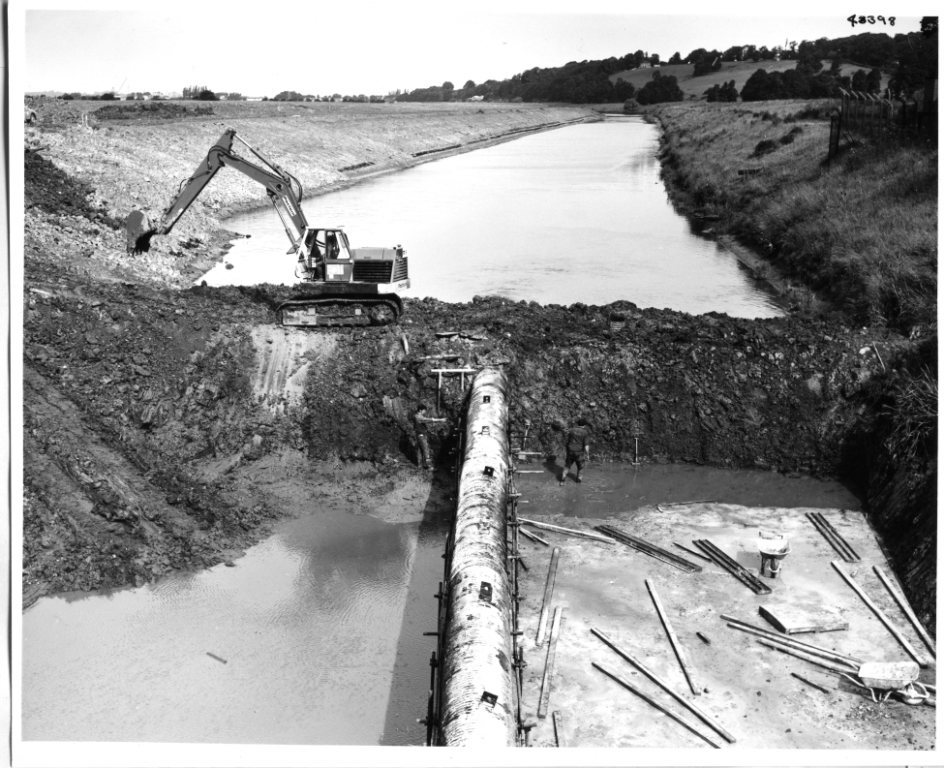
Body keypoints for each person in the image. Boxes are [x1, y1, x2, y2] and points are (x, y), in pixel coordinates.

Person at [412, 405, 445, 470]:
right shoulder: (418, 417)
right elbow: (428, 420)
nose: (425, 412)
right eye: (424, 410)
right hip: (421, 436)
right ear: (420, 410)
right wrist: (440, 420)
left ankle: (419, 466)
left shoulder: (417, 416)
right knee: (426, 450)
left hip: (419, 435)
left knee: (420, 450)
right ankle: (430, 467)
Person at [560, 417, 591, 485]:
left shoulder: (571, 430)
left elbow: (564, 432)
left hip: (570, 451)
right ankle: (578, 482)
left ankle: (562, 480)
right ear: (585, 425)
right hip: (579, 453)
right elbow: (586, 446)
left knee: (567, 466)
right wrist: (587, 455)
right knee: (581, 468)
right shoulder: (585, 433)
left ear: (577, 424)